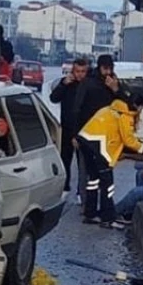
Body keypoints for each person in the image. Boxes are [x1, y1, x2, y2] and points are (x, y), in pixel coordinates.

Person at [77, 94, 143, 229]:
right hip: (100, 147)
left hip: (85, 142)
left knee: (93, 180)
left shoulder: (109, 109)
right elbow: (128, 139)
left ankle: (90, 214)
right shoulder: (125, 116)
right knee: (107, 185)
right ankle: (107, 218)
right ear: (138, 106)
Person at [50, 57, 90, 193]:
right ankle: (65, 187)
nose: (80, 74)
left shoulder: (89, 86)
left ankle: (81, 191)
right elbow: (53, 98)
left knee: (83, 163)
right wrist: (63, 84)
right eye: (77, 71)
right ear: (73, 71)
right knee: (65, 160)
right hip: (67, 128)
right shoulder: (67, 84)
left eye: (83, 71)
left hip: (84, 130)